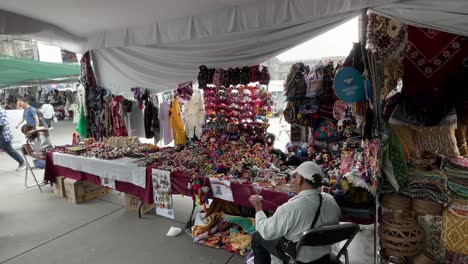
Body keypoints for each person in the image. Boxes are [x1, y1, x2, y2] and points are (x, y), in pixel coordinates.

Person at [249, 161, 341, 264]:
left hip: (298, 257)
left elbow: (266, 233)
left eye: (295, 177)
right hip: (323, 256)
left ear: (300, 179)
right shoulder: (331, 200)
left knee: (257, 236)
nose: (292, 180)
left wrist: (258, 207)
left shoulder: (290, 208)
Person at [0, 106, 26, 170]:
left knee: (9, 149)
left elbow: (2, 123)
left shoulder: (2, 112)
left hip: (4, 135)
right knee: (7, 149)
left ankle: (22, 162)